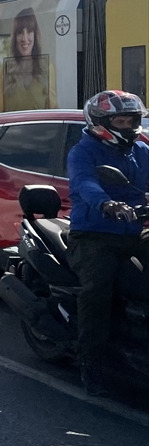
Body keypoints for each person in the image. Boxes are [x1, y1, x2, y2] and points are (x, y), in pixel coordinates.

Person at [66, 89, 149, 397]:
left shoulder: (141, 151)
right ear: (102, 122)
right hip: (93, 235)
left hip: (133, 231)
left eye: (132, 120)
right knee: (98, 291)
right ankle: (91, 363)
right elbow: (84, 183)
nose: (128, 125)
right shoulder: (83, 152)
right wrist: (107, 204)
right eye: (121, 120)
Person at [2, 8, 54, 110]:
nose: (24, 39)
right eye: (20, 32)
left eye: (29, 31)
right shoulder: (3, 72)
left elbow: (53, 109)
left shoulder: (47, 68)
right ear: (15, 37)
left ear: (35, 35)